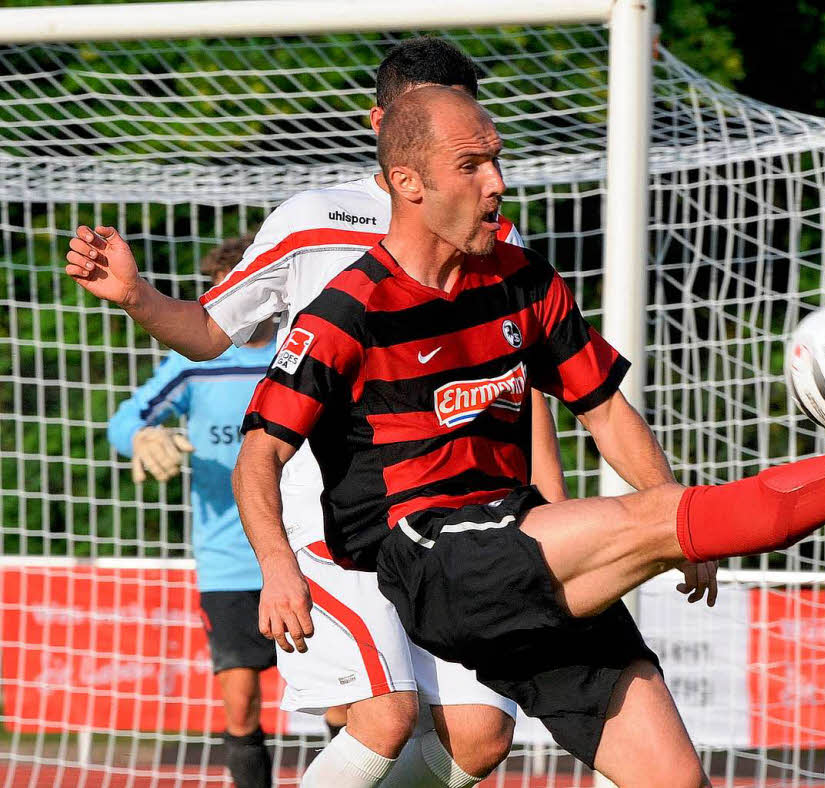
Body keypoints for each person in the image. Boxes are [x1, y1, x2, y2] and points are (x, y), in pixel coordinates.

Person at [233, 86, 825, 788]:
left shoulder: (523, 281)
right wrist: (277, 565)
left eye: (497, 158)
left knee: (672, 776)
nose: (496, 182)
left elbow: (606, 410)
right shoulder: (347, 310)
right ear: (408, 183)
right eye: (471, 165)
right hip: (436, 557)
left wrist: (673, 515)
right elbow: (259, 453)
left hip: (515, 544)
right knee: (654, 524)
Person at [66, 38, 634, 788]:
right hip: (336, 522)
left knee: (479, 740)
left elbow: (527, 390)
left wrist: (551, 519)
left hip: (465, 522)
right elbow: (207, 331)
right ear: (385, 125)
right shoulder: (313, 220)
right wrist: (139, 298)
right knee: (384, 715)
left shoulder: (496, 236)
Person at [107, 237, 278, 788]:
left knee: (341, 703)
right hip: (229, 560)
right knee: (241, 701)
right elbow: (125, 418)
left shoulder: (303, 353)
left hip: (307, 552)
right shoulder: (196, 361)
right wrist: (140, 438)